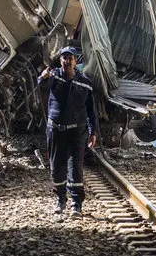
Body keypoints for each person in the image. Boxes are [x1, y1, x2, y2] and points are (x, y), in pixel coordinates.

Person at [38, 46, 97, 218]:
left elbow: (91, 109)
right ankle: (60, 199)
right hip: (56, 131)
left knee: (75, 168)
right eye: (64, 58)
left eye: (70, 58)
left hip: (76, 133)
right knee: (56, 167)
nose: (67, 61)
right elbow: (43, 83)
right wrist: (42, 77)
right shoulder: (54, 76)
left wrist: (93, 131)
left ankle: (76, 204)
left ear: (75, 61)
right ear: (61, 61)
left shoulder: (84, 82)